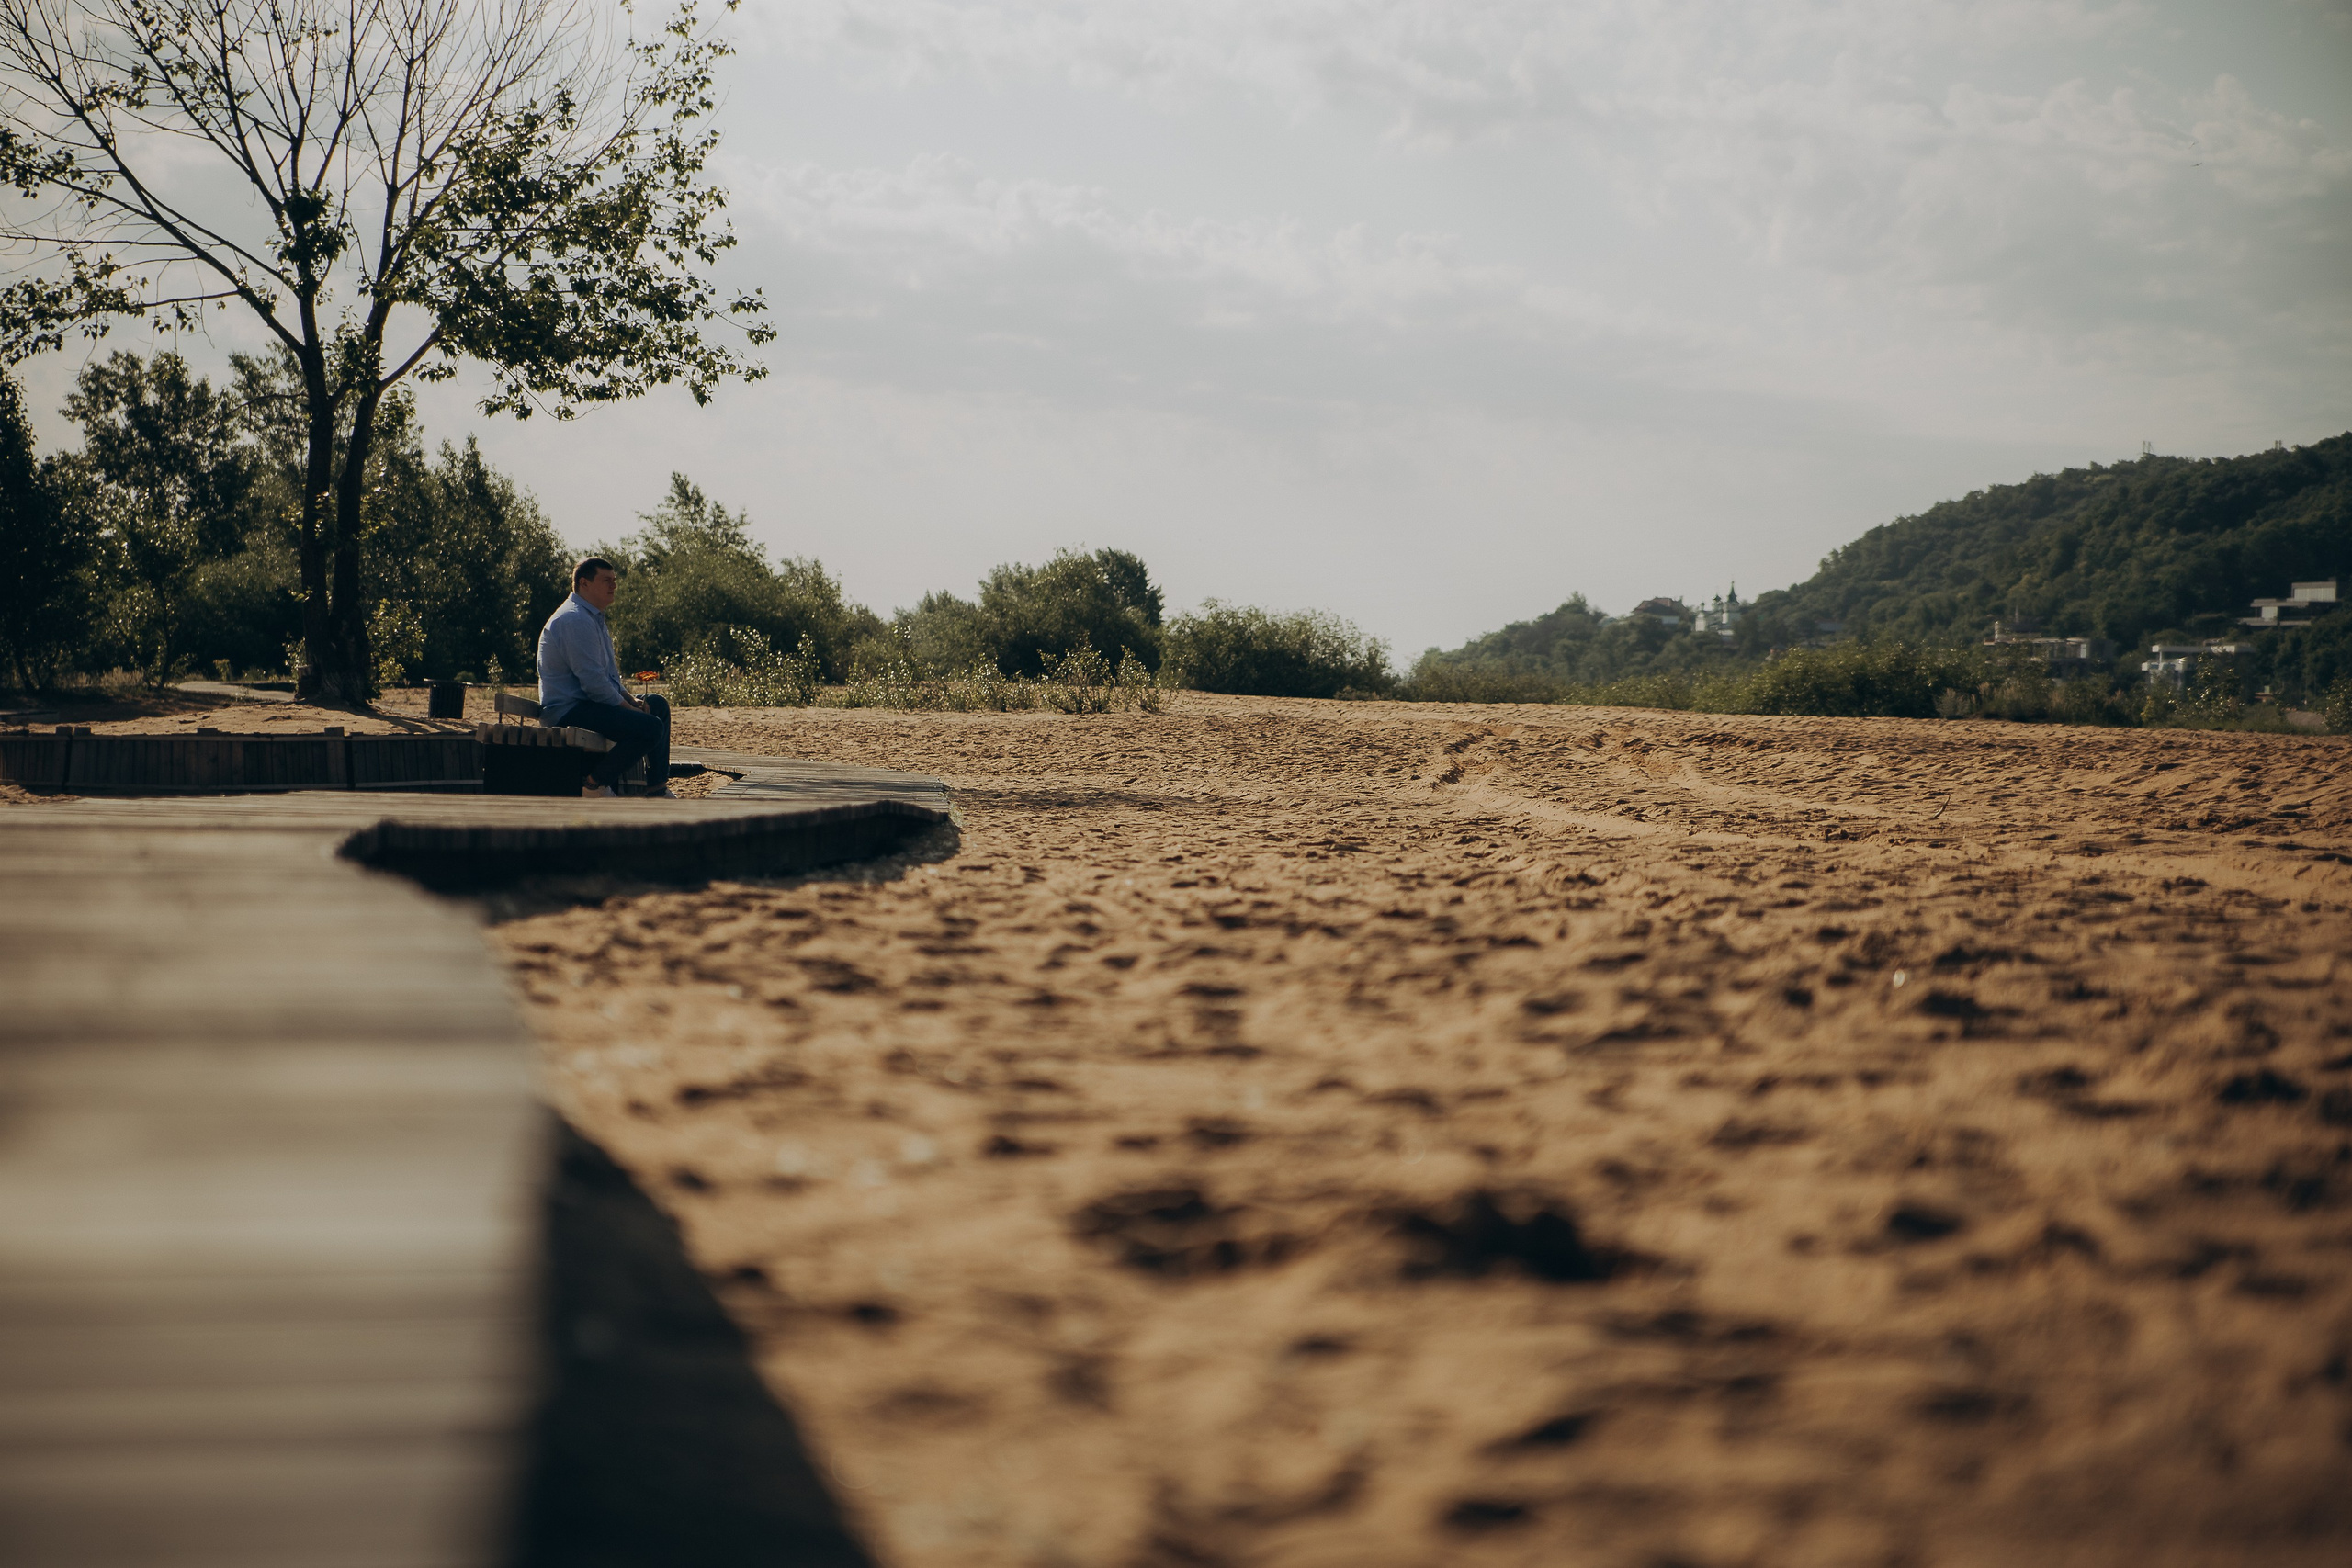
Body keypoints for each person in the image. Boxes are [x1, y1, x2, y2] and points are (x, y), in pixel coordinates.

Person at [537, 557, 673, 799]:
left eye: (614, 580)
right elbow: (594, 684)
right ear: (584, 584)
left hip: (589, 704)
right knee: (650, 727)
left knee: (657, 704)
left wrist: (630, 699)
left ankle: (656, 789)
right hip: (568, 710)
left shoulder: (592, 617)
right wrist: (629, 709)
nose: (614, 586)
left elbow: (608, 676)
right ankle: (594, 785)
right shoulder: (575, 619)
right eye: (606, 580)